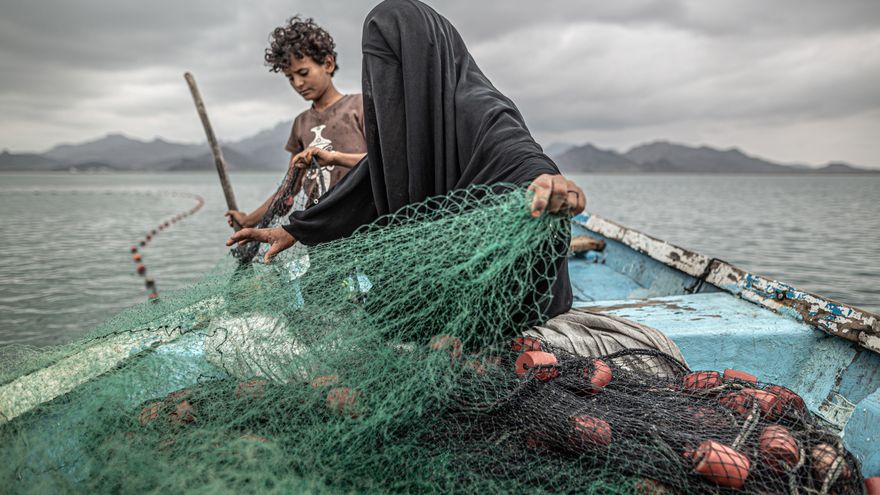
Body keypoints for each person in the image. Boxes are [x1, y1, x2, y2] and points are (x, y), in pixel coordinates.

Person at [228, 0, 586, 320]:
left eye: (394, 66)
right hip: (439, 279)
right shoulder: (401, 122)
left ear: (422, 59)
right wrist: (296, 229)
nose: (385, 83)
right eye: (376, 70)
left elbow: (518, 155)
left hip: (497, 289)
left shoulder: (478, 107)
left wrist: (547, 180)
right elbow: (372, 177)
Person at [225, 16, 367, 230]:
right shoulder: (301, 123)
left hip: (363, 224)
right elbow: (290, 188)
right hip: (319, 228)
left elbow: (383, 163)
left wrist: (335, 157)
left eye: (303, 73)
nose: (298, 83)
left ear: (328, 64)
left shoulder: (360, 106)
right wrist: (248, 220)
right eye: (290, 78)